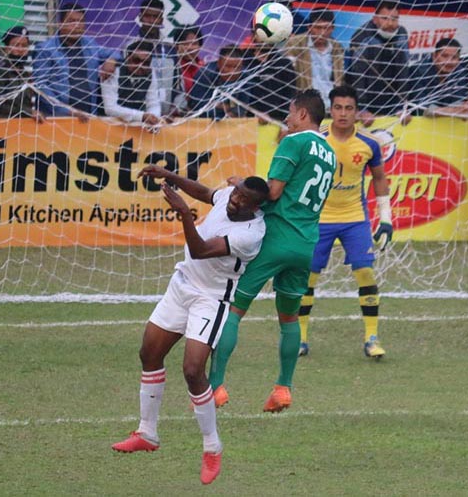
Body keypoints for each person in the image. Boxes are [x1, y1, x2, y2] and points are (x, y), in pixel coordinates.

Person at [111, 168, 270, 486]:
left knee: (193, 369)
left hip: (210, 299)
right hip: (182, 285)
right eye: (236, 194)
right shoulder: (228, 196)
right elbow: (203, 192)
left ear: (255, 207)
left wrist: (184, 212)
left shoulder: (251, 235)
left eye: (243, 200)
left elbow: (199, 250)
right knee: (149, 353)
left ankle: (212, 448)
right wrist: (168, 174)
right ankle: (147, 432)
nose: (234, 201)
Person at [207, 89, 336, 413]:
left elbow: (274, 192)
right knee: (289, 317)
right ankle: (283, 388)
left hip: (276, 236)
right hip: (307, 242)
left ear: (304, 114)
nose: (287, 119)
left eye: (290, 113)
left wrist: (242, 185)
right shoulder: (330, 153)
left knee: (234, 308)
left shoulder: (293, 142)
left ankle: (215, 387)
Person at [297, 85, 391, 359]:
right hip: (319, 218)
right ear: (330, 110)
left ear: (357, 112)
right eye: (338, 107)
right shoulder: (316, 139)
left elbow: (379, 178)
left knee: (366, 273)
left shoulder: (370, 143)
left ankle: (371, 338)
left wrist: (385, 219)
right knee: (308, 277)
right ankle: (301, 338)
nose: (343, 113)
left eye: (349, 108)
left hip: (354, 219)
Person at [33, 2, 118, 118]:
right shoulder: (45, 49)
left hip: (88, 117)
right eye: (71, 21)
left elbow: (117, 53)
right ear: (60, 24)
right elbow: (40, 87)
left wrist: (111, 60)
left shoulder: (90, 44)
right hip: (56, 119)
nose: (77, 25)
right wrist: (67, 111)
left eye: (81, 21)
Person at [345, 0, 410, 125]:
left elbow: (403, 71)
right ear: (375, 19)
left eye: (394, 19)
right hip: (367, 102)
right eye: (385, 18)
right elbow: (358, 75)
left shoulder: (402, 33)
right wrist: (362, 109)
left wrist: (402, 106)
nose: (390, 23)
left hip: (392, 101)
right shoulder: (362, 35)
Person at [285, 9, 345, 105]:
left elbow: (340, 80)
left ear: (332, 28)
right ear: (309, 27)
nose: (322, 32)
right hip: (306, 105)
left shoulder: (337, 47)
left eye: (326, 28)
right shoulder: (295, 44)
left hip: (331, 105)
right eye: (318, 28)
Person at [408, 37, 468, 118]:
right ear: (434, 56)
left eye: (454, 57)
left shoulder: (459, 72)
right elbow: (421, 109)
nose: (449, 61)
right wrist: (453, 111)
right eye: (444, 56)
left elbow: (459, 104)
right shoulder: (418, 71)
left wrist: (463, 110)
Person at [101, 40, 162, 125]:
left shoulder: (150, 74)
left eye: (146, 63)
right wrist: (142, 116)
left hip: (135, 125)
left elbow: (153, 103)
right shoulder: (112, 71)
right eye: (136, 60)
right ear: (128, 58)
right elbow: (110, 108)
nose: (140, 65)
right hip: (107, 125)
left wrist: (153, 117)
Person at [0, 25, 42, 121]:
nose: (20, 49)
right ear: (7, 48)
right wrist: (27, 112)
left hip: (21, 126)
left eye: (24, 45)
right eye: (16, 45)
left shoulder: (25, 73)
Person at [133, 0, 176, 115]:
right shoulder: (130, 47)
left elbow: (178, 84)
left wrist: (177, 107)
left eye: (155, 16)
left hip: (167, 116)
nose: (151, 20)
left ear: (161, 20)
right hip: (138, 116)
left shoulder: (170, 49)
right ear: (140, 17)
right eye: (147, 16)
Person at [242, 37, 298, 123]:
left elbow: (290, 95)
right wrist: (255, 113)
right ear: (253, 35)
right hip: (248, 122)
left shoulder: (284, 63)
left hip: (279, 123)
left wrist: (284, 120)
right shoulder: (243, 61)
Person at [188, 45, 248, 120]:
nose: (232, 72)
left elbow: (242, 107)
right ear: (219, 63)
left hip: (231, 121)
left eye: (237, 67)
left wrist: (230, 110)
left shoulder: (246, 76)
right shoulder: (205, 74)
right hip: (202, 121)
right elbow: (198, 106)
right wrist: (225, 107)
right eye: (228, 66)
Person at [167, 26, 205, 117]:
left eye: (195, 43)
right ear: (176, 45)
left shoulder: (205, 68)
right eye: (185, 43)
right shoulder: (170, 68)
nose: (190, 48)